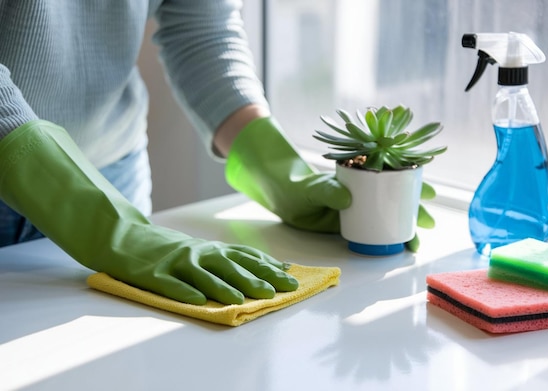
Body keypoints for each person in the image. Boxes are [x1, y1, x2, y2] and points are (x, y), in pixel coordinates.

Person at [0, 1, 351, 305]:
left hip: (114, 177)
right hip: (72, 202)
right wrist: (122, 234)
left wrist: (277, 169)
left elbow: (202, 32)